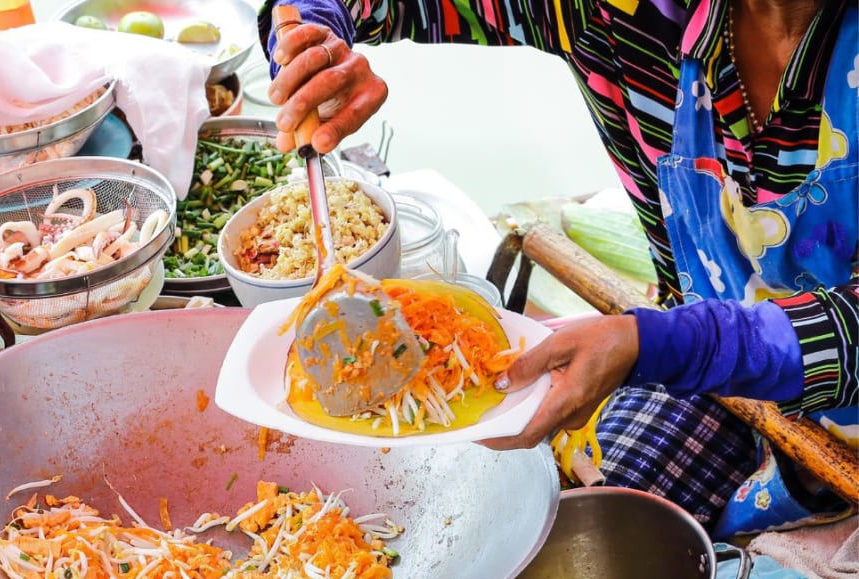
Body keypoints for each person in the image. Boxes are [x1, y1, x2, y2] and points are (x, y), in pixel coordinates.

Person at [259, 0, 857, 533]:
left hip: (741, 370)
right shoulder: (622, 12)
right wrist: (310, 35)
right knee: (545, 537)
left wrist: (651, 345)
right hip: (705, 376)